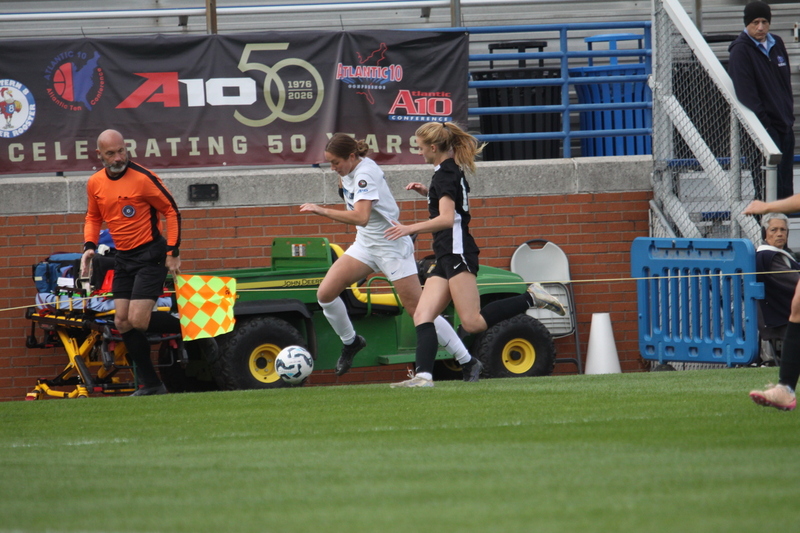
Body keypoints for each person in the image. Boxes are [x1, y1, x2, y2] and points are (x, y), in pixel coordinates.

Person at [384, 122, 566, 388]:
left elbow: (447, 219)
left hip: (457, 253)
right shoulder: (444, 173)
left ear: (434, 147)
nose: (419, 152)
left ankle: (531, 297)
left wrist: (409, 228)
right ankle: (423, 377)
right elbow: (451, 206)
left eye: (421, 147)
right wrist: (429, 193)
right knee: (422, 315)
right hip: (443, 255)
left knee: (473, 322)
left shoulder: (446, 175)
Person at [299, 133, 483, 381]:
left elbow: (361, 217)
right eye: (329, 163)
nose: (332, 168)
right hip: (365, 245)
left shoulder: (365, 173)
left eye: (335, 163)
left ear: (352, 156)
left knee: (419, 310)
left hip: (391, 246)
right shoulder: (347, 173)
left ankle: (467, 361)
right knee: (325, 293)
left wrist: (322, 211)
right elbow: (358, 212)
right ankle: (352, 342)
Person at [81, 129, 182, 396]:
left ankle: (191, 325)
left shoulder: (144, 178)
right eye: (111, 153)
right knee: (122, 321)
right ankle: (152, 385)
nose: (118, 158)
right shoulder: (95, 183)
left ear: (127, 148)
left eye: (121, 151)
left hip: (151, 254)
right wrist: (89, 247)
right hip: (123, 257)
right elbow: (93, 217)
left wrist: (173, 252)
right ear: (99, 155)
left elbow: (171, 211)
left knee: (138, 321)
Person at [728, 1, 795, 200]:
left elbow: (786, 84)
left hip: (785, 126)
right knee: (767, 190)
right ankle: (764, 230)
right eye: (755, 22)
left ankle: (782, 230)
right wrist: (766, 125)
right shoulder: (740, 50)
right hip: (764, 130)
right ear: (746, 23)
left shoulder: (777, 43)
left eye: (764, 21)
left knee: (785, 190)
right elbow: (746, 94)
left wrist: (788, 116)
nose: (760, 27)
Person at [744, 198, 800, 410]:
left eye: (783, 230)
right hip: (777, 318)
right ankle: (785, 387)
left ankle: (785, 387)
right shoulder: (768, 255)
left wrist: (768, 207)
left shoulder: (780, 255)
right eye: (774, 229)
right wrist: (768, 207)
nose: (779, 234)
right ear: (764, 233)